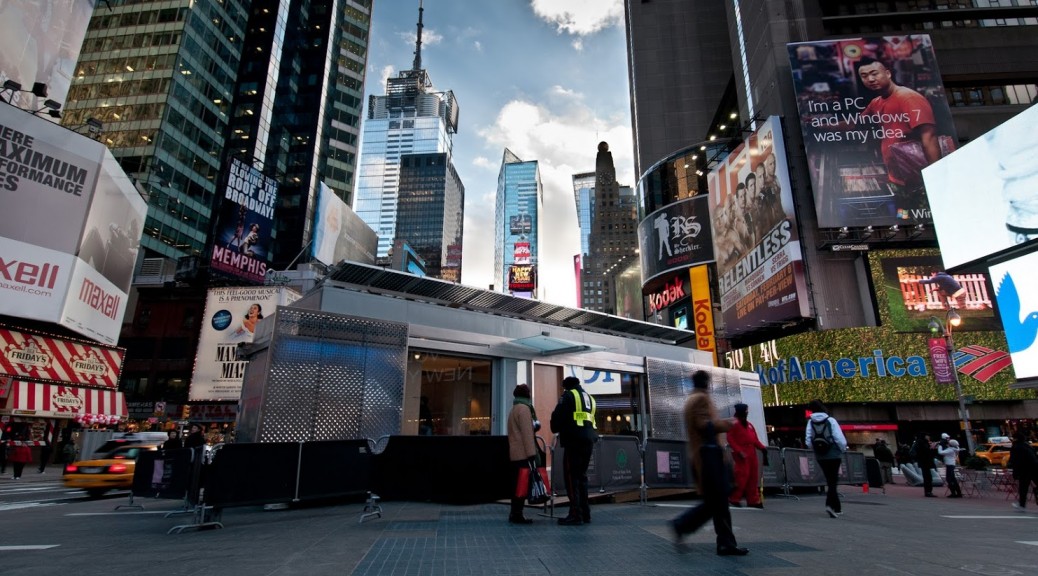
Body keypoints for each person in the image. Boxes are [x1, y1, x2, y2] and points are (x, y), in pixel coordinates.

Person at [670, 370, 747, 556]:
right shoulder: (700, 399)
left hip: (704, 457)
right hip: (708, 458)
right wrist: (727, 424)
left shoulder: (693, 398)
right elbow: (703, 424)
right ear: (706, 382)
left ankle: (724, 542)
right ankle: (684, 525)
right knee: (717, 502)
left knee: (716, 502)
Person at [856, 56, 941, 191]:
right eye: (864, 76)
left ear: (888, 73)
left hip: (917, 177)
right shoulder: (876, 102)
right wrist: (825, 125)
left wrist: (936, 177)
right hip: (898, 175)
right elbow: (856, 124)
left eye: (874, 73)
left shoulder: (908, 97)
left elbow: (929, 137)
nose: (870, 79)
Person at [550, 376, 598, 526]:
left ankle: (575, 514)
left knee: (572, 478)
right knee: (582, 477)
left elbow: (557, 419)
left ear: (566, 386)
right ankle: (585, 512)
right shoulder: (589, 398)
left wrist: (555, 424)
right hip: (588, 441)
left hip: (573, 441)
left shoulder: (568, 395)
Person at [806, 399, 848, 518]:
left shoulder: (810, 422)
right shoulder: (830, 420)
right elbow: (839, 438)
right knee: (833, 481)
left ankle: (837, 508)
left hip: (820, 455)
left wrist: (816, 449)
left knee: (830, 480)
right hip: (833, 454)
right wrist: (843, 448)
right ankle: (830, 505)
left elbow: (808, 440)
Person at [506, 384, 538, 524]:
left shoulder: (513, 409)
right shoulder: (524, 409)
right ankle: (517, 514)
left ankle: (515, 512)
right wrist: (532, 454)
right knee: (522, 486)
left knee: (516, 485)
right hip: (523, 454)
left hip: (514, 453)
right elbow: (527, 434)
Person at [727, 403, 768, 509]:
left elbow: (755, 440)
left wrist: (762, 448)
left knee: (753, 477)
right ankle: (734, 498)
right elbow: (730, 439)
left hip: (751, 453)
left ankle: (753, 500)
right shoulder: (734, 424)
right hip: (742, 454)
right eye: (746, 410)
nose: (747, 412)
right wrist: (739, 451)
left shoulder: (749, 425)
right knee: (741, 477)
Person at [1008, 431, 1038, 512]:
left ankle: (1022, 505)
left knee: (1023, 488)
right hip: (1035, 468)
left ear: (1016, 439)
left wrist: (1015, 473)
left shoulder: (1016, 447)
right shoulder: (1028, 446)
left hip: (1024, 471)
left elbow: (1015, 461)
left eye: (1013, 438)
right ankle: (1021, 505)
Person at [912, 432, 938, 497]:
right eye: (927, 436)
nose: (929, 437)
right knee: (928, 477)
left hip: (923, 462)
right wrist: (932, 448)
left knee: (927, 477)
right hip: (925, 461)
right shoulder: (922, 443)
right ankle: (928, 492)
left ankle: (928, 491)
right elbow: (926, 452)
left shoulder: (920, 442)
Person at [937, 433, 962, 498]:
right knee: (953, 479)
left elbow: (940, 452)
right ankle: (958, 493)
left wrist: (940, 446)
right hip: (952, 464)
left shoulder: (950, 450)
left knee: (949, 479)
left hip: (949, 465)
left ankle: (953, 493)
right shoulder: (954, 449)